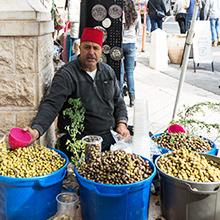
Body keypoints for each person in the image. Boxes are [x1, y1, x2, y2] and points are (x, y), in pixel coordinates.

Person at [26, 27, 130, 158]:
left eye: (95, 48)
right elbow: (51, 105)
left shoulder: (108, 72)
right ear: (79, 48)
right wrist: (36, 130)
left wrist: (121, 124)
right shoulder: (66, 75)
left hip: (108, 139)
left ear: (101, 51)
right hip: (78, 142)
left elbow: (118, 101)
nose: (91, 52)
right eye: (87, 47)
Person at [120, 0, 140, 107]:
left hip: (121, 44)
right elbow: (138, 30)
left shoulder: (120, 14)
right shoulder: (135, 15)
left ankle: (120, 97)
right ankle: (132, 98)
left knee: (120, 72)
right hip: (132, 44)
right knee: (130, 72)